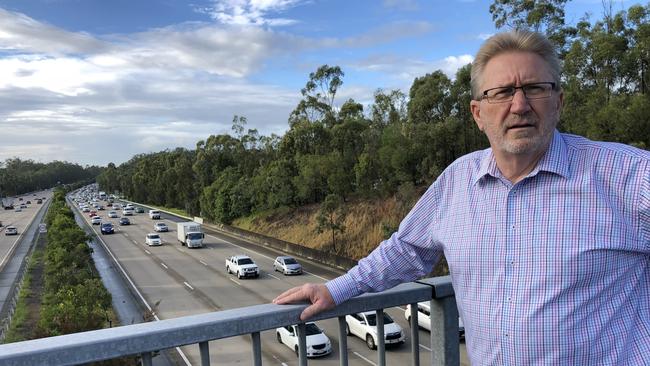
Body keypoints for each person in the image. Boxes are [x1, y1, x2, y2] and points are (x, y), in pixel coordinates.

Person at [274, 30, 650, 365]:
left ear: (559, 101)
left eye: (535, 88)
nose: (519, 105)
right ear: (477, 113)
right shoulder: (457, 180)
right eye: (501, 92)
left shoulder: (627, 176)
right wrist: (335, 289)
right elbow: (406, 249)